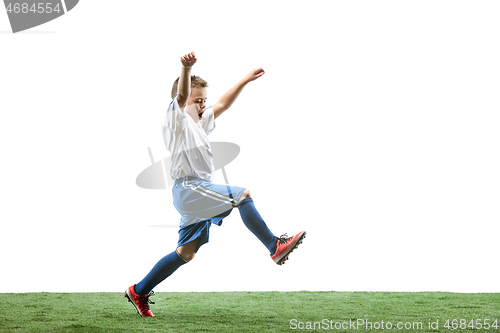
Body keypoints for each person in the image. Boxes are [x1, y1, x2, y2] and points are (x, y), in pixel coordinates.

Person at [125, 52, 306, 317]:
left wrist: (245, 79)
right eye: (197, 101)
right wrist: (185, 69)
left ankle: (138, 290)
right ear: (183, 101)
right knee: (242, 194)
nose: (202, 106)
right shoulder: (176, 120)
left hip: (196, 193)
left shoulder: (200, 121)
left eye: (203, 101)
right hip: (188, 188)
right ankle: (273, 246)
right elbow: (182, 96)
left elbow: (222, 104)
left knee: (185, 253)